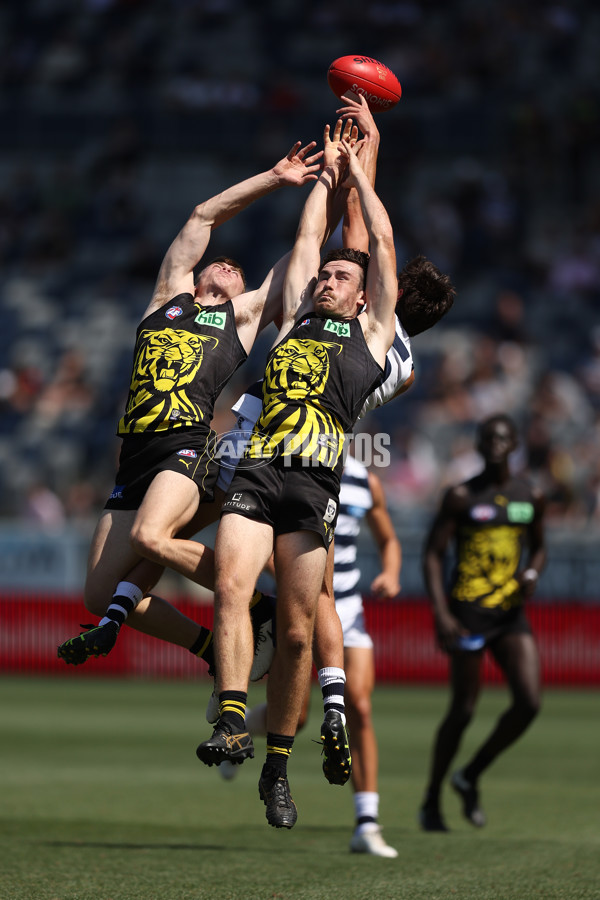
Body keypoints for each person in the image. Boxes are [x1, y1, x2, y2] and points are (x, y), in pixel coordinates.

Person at [195, 121, 400, 831]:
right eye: (325, 274)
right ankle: (229, 719)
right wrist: (324, 177)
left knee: (299, 634)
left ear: (364, 296)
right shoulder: (290, 322)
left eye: (342, 276)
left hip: (313, 490)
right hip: (259, 473)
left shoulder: (371, 336)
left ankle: (278, 768)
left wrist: (362, 178)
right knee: (229, 583)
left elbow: (381, 245)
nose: (327, 278)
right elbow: (310, 241)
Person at [56, 140, 322, 672]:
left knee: (150, 537)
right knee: (97, 595)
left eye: (236, 270)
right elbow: (204, 215)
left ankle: (258, 605)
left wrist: (329, 186)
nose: (227, 264)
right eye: (218, 262)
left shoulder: (242, 322)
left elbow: (303, 250)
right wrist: (273, 177)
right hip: (134, 455)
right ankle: (206, 648)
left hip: (185, 447)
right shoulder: (165, 301)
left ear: (245, 293)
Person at [237, 454, 402, 856]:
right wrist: (291, 573)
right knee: (297, 716)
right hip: (299, 604)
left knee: (358, 706)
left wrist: (391, 572)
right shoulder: (292, 467)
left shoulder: (366, 482)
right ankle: (241, 731)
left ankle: (366, 823)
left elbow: (388, 538)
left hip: (346, 607)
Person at [419, 413, 546, 832]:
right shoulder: (460, 496)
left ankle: (468, 776)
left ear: (514, 445)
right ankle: (432, 798)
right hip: (468, 616)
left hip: (509, 615)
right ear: (478, 445)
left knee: (529, 703)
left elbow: (540, 548)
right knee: (463, 711)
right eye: (488, 438)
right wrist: (440, 612)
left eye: (503, 439)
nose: (496, 445)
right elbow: (433, 554)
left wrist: (531, 573)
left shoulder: (531, 495)